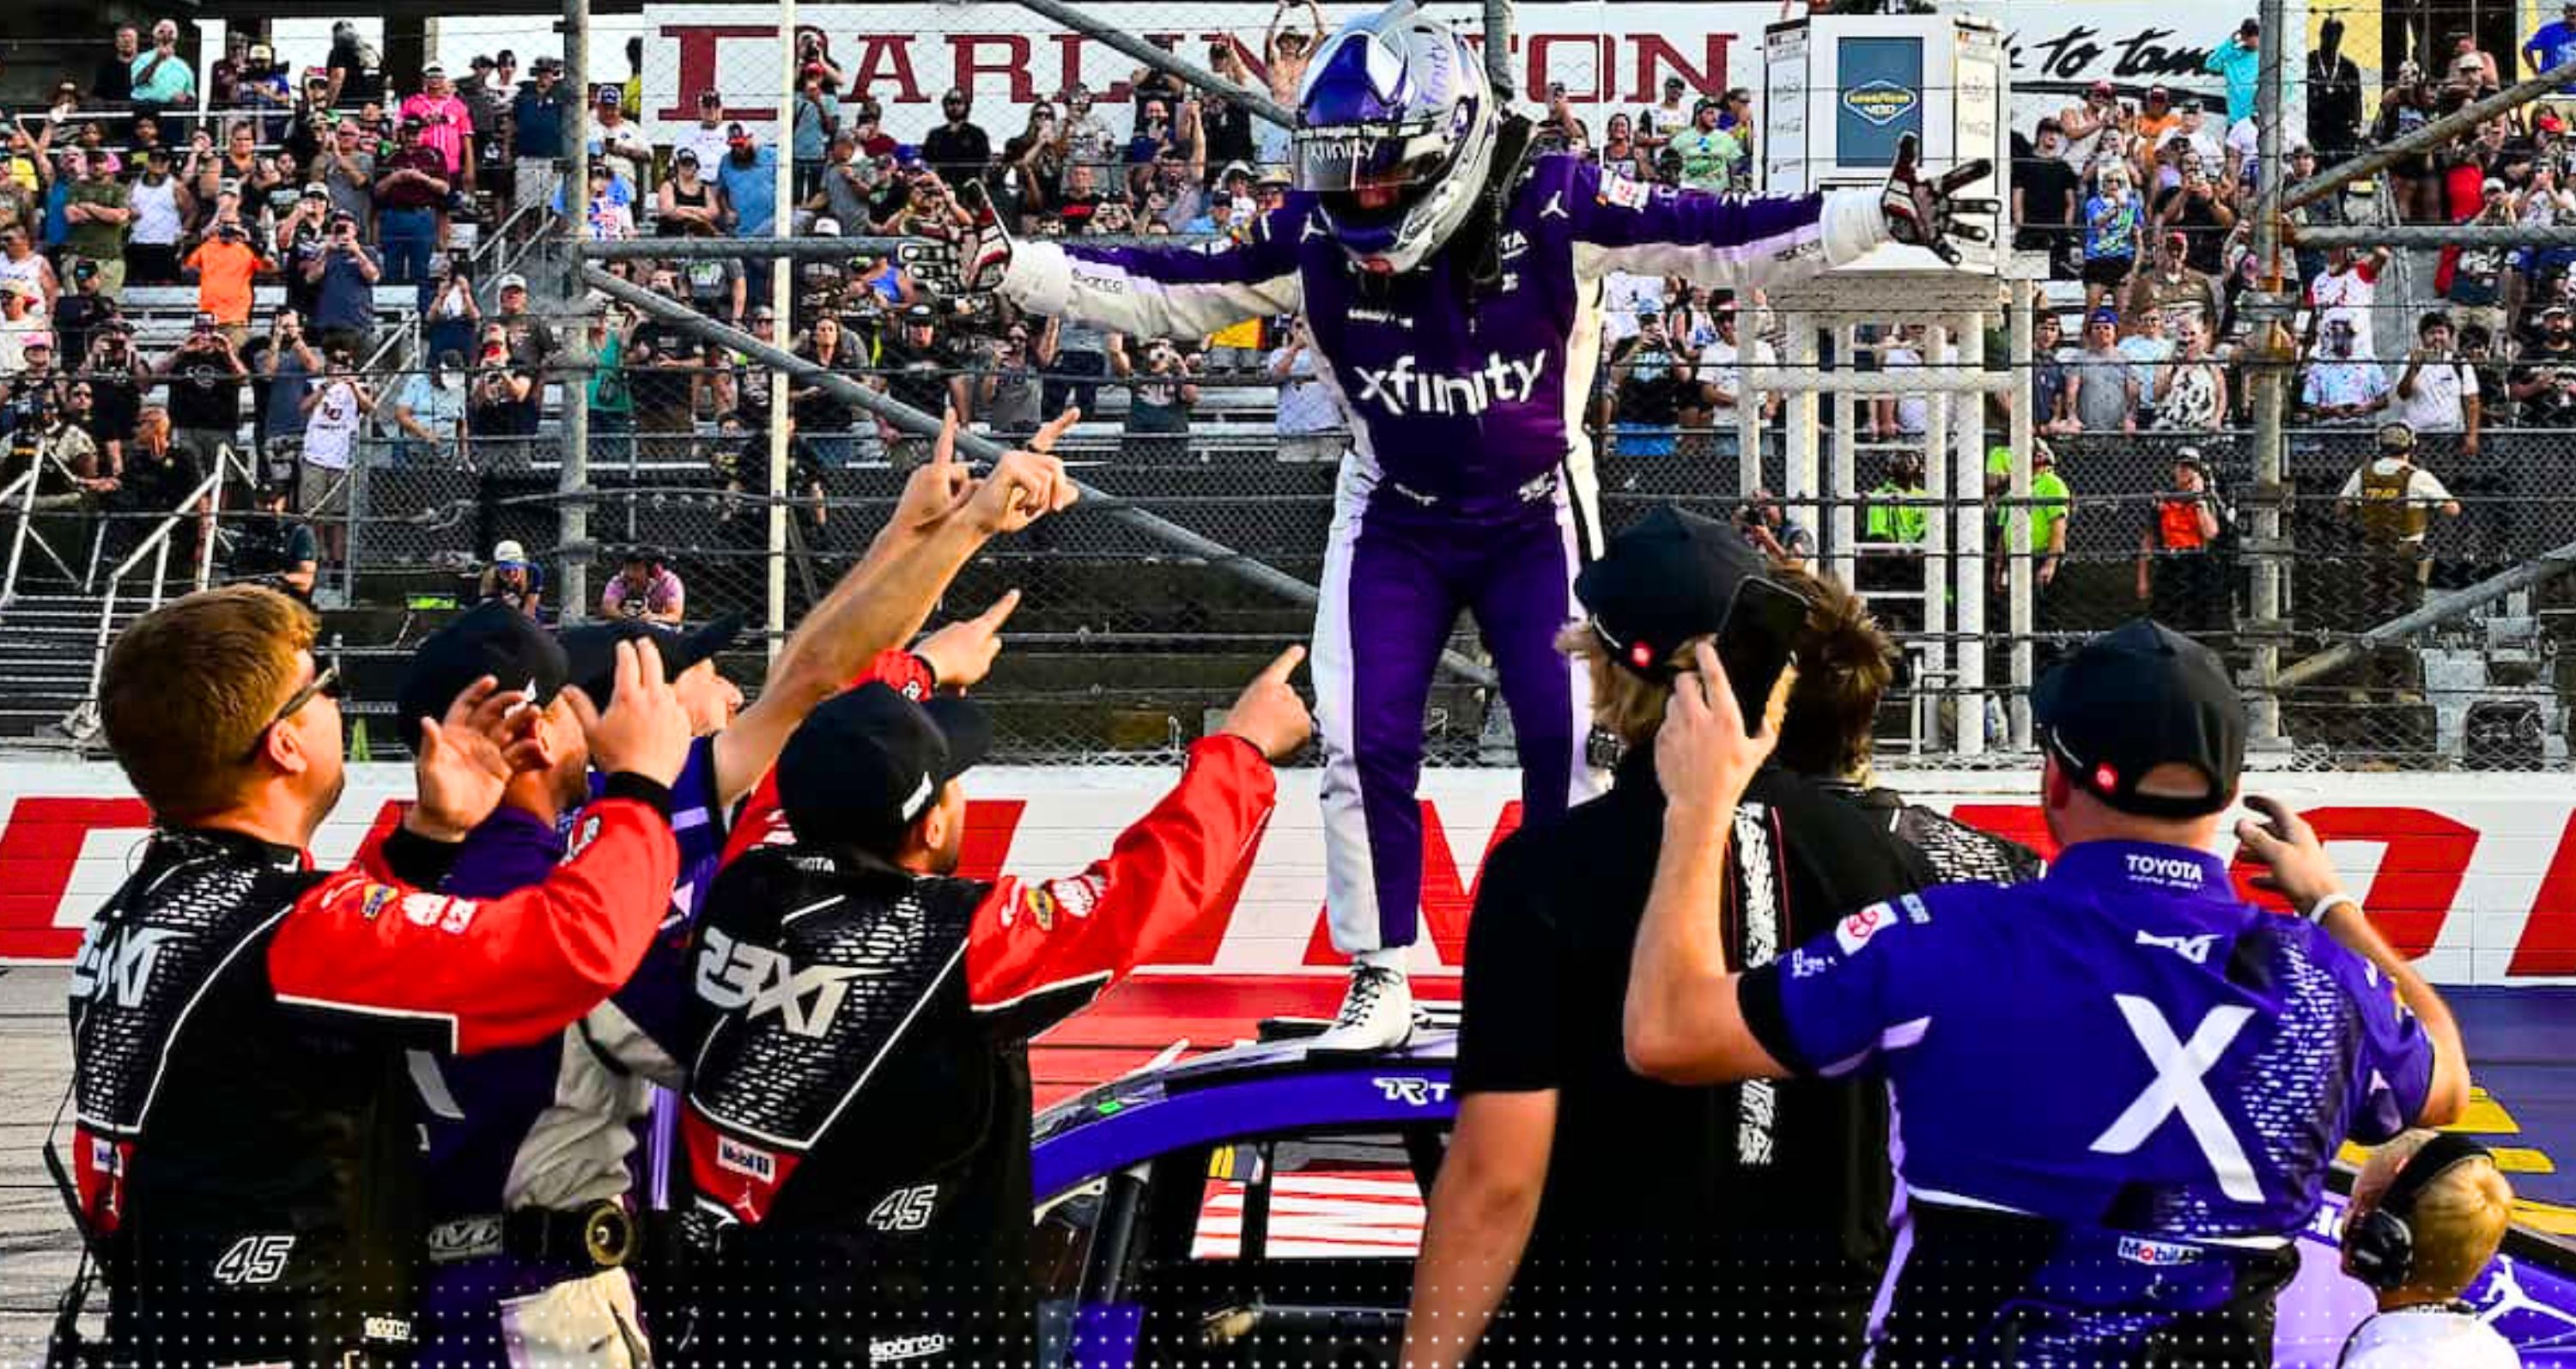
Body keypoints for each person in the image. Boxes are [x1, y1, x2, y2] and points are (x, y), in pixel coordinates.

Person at [922, 0, 1990, 1049]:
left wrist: (1870, 217)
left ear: (1453, 145)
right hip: (1392, 508)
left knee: (1567, 741)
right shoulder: (1314, 236)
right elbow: (1174, 287)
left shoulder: (1557, 201)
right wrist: (1023, 267)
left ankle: (1569, 965)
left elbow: (1718, 237)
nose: (1361, 198)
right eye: (1342, 172)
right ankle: (1378, 972)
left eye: (1381, 173)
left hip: (1534, 510)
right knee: (1362, 738)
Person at [404, 420, 1089, 1367]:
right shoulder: (611, 839)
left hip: (459, 1269)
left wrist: (914, 538)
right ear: (559, 722)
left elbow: (809, 680)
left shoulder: (412, 861)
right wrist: (956, 543)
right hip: (570, 1282)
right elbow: (811, 685)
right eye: (688, 672)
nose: (722, 689)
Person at [1625, 617, 2470, 1366]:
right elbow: (2445, 1083)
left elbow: (1668, 1031)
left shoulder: (1951, 938)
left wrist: (1699, 806)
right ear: (2223, 799)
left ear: (2053, 783)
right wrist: (2331, 905)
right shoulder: (2321, 977)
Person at [61, 584, 693, 1367]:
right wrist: (640, 790)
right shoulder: (292, 931)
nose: (338, 700)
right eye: (325, 686)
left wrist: (428, 840)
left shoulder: (144, 907)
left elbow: (319, 968)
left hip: (174, 1325)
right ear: (285, 745)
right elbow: (570, 951)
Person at [671, 641, 1310, 1366]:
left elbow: (807, 769)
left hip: (724, 1325)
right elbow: (1143, 890)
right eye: (953, 780)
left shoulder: (744, 884)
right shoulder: (955, 941)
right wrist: (1242, 749)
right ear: (932, 825)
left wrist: (915, 672)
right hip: (899, 1342)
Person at [1404, 509, 1934, 1369]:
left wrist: (1425, 1360)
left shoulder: (1545, 875)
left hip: (1608, 1331)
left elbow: (1498, 1180)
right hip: (1826, 1334)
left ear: (1607, 673)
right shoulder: (1886, 866)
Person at [2336, 1132, 2520, 1368]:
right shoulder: (2497, 1352)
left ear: (2383, 1237)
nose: (2346, 1217)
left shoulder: (2378, 1362)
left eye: (2354, 1205)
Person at [2337, 423, 2462, 694]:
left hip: (2370, 553)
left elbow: (2342, 508)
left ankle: (2361, 686)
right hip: (2407, 553)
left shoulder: (2363, 473)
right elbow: (2452, 509)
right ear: (2411, 446)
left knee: (2367, 618)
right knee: (2409, 618)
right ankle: (2405, 687)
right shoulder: (2417, 476)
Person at [226, 483, 319, 600]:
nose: (268, 507)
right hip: (243, 595)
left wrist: (274, 581)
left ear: (283, 501)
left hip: (283, 599)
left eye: (273, 502)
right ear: (255, 502)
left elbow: (305, 580)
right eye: (263, 503)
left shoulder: (298, 532)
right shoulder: (245, 530)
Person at [601, 548, 685, 624]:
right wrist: (628, 618)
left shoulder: (670, 582)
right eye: (626, 568)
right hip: (626, 626)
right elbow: (608, 609)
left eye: (636, 569)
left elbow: (675, 616)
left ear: (653, 571)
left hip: (659, 628)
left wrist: (653, 617)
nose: (630, 574)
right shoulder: (618, 581)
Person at [477, 538, 545, 616]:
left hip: (523, 615)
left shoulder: (533, 571)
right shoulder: (490, 576)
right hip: (499, 614)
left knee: (537, 614)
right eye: (507, 570)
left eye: (515, 568)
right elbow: (487, 611)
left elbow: (530, 609)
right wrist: (502, 603)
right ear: (498, 568)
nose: (512, 573)